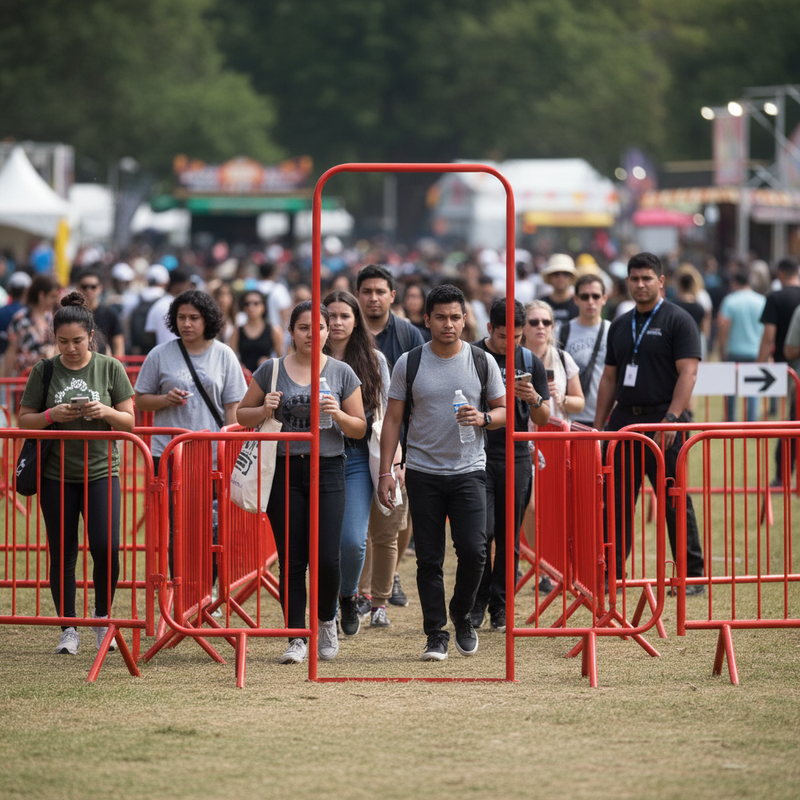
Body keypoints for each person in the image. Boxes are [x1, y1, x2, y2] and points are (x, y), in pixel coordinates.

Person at [377, 284, 507, 661]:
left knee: (474, 550)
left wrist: (483, 417)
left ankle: (461, 614)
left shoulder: (482, 361)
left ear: (465, 320)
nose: (448, 324)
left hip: (469, 469)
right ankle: (436, 632)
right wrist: (387, 471)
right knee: (428, 558)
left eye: (455, 317)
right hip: (422, 471)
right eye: (441, 317)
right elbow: (393, 420)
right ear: (426, 319)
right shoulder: (410, 361)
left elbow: (502, 412)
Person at [237, 302, 366, 665]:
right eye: (304, 327)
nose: (313, 334)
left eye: (320, 327)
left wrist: (337, 413)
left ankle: (325, 621)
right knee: (292, 558)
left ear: (329, 332)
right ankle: (296, 635)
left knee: (327, 556)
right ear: (292, 331)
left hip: (328, 469)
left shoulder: (341, 372)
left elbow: (359, 426)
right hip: (283, 470)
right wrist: (264, 409)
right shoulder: (272, 370)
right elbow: (241, 414)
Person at [17, 293, 135, 655]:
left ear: (92, 335)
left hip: (102, 471)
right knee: (63, 552)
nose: (70, 348)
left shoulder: (109, 367)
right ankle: (68, 627)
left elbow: (130, 420)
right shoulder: (45, 369)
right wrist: (54, 416)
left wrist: (105, 411)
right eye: (63, 341)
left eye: (78, 341)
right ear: (55, 338)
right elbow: (25, 421)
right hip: (56, 474)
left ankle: (102, 620)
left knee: (105, 547)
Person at [593, 252, 705, 593]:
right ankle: (613, 574)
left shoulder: (679, 320)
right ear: (627, 282)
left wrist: (671, 419)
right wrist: (599, 430)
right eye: (634, 278)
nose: (640, 284)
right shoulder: (621, 323)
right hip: (625, 423)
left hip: (665, 423)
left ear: (661, 282)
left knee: (674, 498)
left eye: (647, 278)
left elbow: (689, 372)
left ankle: (691, 575)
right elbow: (609, 378)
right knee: (617, 501)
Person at [134, 290, 248, 576]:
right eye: (181, 318)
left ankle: (206, 591)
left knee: (212, 526)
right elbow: (140, 398)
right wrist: (164, 400)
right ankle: (179, 586)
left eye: (194, 318)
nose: (187, 324)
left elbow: (233, 407)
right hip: (170, 453)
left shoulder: (224, 355)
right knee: (177, 524)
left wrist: (231, 449)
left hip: (213, 456)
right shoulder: (160, 354)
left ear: (207, 320)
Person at [470, 298, 550, 631]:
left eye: (516, 336)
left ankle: (499, 606)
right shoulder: (471, 356)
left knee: (508, 537)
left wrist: (534, 399)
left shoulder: (529, 359)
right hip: (477, 454)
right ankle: (477, 601)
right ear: (490, 329)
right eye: (504, 336)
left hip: (516, 456)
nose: (510, 343)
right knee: (479, 534)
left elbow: (543, 418)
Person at [355, 265, 425, 616]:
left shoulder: (409, 335)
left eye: (380, 291)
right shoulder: (347, 333)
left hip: (402, 436)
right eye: (366, 291)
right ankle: (366, 589)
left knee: (398, 513)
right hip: (357, 439)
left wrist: (405, 451)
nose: (373, 298)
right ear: (358, 295)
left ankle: (391, 574)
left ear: (392, 296)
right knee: (363, 520)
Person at [323, 290, 390, 634]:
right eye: (330, 316)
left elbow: (389, 416)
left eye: (344, 316)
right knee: (322, 541)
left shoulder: (374, 360)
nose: (336, 323)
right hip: (317, 456)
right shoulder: (307, 357)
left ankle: (347, 596)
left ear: (355, 320)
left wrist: (392, 465)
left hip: (359, 457)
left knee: (352, 540)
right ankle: (325, 608)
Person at [757, 257, 800, 485]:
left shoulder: (775, 297)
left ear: (780, 275)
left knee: (792, 424)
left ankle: (782, 476)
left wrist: (760, 365)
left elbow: (768, 336)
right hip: (792, 372)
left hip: (788, 369)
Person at [558, 273, 610, 428]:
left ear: (604, 299)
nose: (591, 302)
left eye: (595, 296)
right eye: (585, 296)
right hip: (569, 416)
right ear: (576, 299)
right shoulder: (562, 331)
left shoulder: (614, 331)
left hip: (606, 417)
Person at [523, 300, 584, 423]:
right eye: (534, 322)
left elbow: (580, 403)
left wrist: (562, 398)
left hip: (556, 435)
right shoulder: (513, 358)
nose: (541, 326)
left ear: (552, 326)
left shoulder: (563, 358)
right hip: (522, 434)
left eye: (546, 322)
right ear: (522, 326)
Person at [717, 269, 765, 422]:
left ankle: (730, 421)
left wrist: (721, 349)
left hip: (734, 351)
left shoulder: (730, 300)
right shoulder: (761, 300)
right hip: (755, 351)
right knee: (753, 390)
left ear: (735, 283)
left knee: (730, 390)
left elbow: (723, 326)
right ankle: (752, 421)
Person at [3, 274, 61, 378]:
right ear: (41, 295)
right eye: (52, 296)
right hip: (24, 378)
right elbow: (11, 351)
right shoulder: (21, 318)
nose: (54, 300)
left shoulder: (53, 319)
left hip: (49, 377)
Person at [77, 268, 125, 357]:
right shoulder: (72, 314)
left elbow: (118, 345)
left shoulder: (110, 314)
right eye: (84, 287)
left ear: (99, 288)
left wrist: (116, 367)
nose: (89, 290)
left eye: (93, 287)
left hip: (104, 365)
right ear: (78, 288)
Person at [144, 267, 193, 349]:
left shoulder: (158, 305)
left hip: (162, 356)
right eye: (188, 284)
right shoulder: (176, 306)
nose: (190, 288)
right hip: (177, 356)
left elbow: (150, 333)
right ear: (178, 285)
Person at [230, 289, 278, 373]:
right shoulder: (237, 331)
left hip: (266, 378)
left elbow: (281, 358)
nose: (251, 307)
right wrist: (240, 367)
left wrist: (269, 362)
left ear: (263, 306)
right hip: (245, 379)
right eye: (247, 304)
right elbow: (230, 358)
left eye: (256, 303)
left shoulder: (273, 330)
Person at [541, 254, 579, 341]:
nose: (560, 278)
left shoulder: (579, 304)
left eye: (565, 274)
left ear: (571, 277)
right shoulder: (541, 305)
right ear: (549, 277)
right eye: (556, 274)